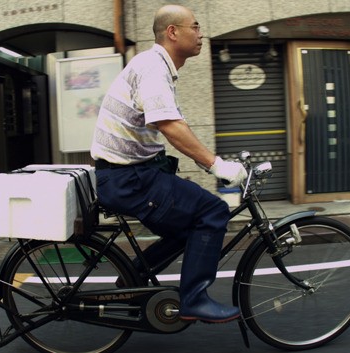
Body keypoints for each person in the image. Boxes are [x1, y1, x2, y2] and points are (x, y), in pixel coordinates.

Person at [90, 4, 247, 323]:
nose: (201, 33)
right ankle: (194, 300)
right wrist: (216, 165)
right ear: (173, 32)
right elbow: (170, 124)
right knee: (213, 211)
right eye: (195, 26)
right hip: (129, 179)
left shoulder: (154, 66)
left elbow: (171, 123)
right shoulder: (152, 67)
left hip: (128, 175)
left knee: (187, 226)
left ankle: (131, 277)